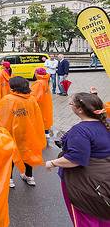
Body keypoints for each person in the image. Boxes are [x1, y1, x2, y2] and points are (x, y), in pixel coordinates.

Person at [45, 93, 110, 225]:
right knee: (103, 216)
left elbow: (75, 159)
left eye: (71, 104)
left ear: (80, 109)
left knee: (85, 218)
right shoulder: (106, 123)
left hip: (84, 184)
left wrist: (52, 162)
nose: (70, 106)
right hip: (104, 179)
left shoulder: (80, 131)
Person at [0, 76, 46, 187]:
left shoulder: (9, 99)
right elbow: (36, 116)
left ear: (13, 86)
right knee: (28, 153)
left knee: (10, 155)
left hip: (12, 132)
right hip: (28, 132)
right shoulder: (31, 99)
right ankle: (29, 176)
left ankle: (9, 179)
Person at [31, 68, 53, 142]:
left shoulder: (39, 83)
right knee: (45, 118)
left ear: (38, 74)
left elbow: (34, 96)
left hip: (40, 105)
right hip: (45, 103)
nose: (34, 74)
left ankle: (42, 135)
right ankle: (46, 133)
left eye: (35, 72)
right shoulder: (45, 80)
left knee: (40, 119)